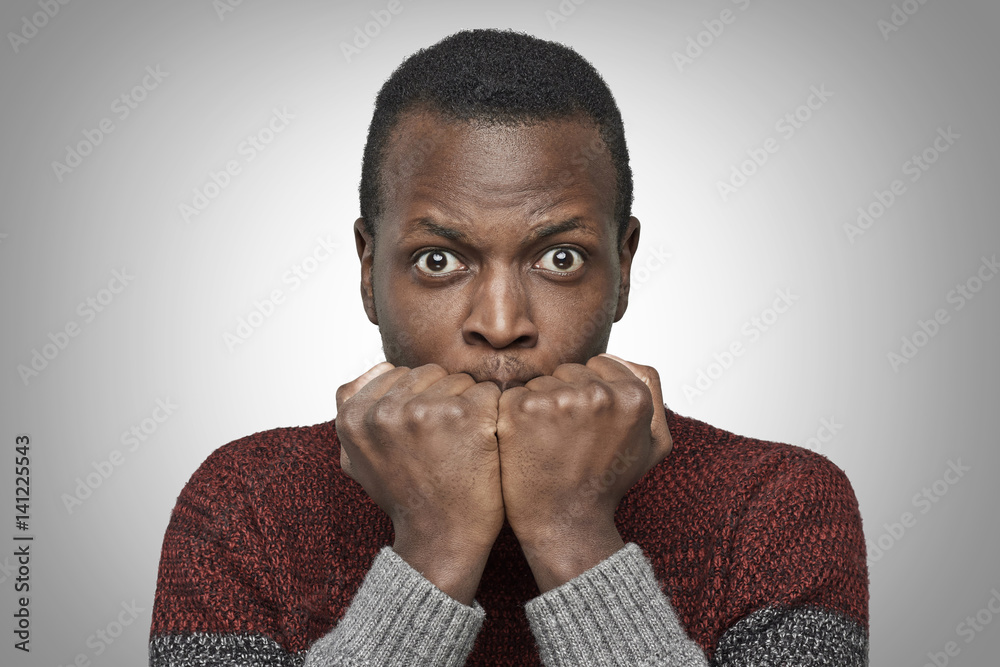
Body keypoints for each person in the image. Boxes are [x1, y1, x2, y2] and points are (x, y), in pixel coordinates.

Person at [149, 28, 869, 666]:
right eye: (439, 259)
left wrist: (573, 532)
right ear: (369, 271)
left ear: (624, 267)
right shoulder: (245, 503)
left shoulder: (776, 505)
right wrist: (432, 547)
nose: (501, 323)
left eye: (560, 258)